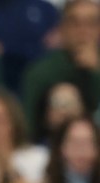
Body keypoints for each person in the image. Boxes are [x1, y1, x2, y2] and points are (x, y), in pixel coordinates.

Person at [21, 0, 100, 138]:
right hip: (53, 150)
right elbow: (28, 129)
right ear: (62, 28)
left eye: (91, 23)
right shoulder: (41, 72)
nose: (83, 31)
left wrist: (96, 72)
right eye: (74, 23)